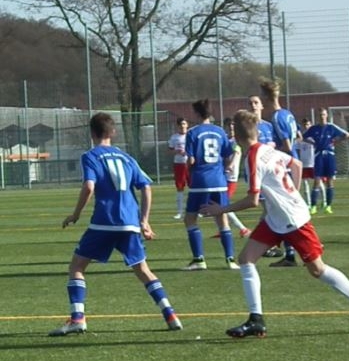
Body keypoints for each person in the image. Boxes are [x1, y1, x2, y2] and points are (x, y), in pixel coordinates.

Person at [200, 110, 349, 338]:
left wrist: (221, 210)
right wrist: (291, 193)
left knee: (317, 269)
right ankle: (256, 320)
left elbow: (253, 200)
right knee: (246, 259)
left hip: (294, 220)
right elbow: (297, 164)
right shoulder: (268, 150)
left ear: (236, 135)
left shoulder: (252, 158)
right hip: (276, 219)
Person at [49, 112, 182, 336]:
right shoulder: (126, 157)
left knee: (77, 267)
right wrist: (144, 221)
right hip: (130, 223)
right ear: (113, 132)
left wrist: (75, 214)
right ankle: (170, 314)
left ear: (92, 133)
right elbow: (146, 187)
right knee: (143, 270)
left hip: (105, 221)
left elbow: (89, 186)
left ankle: (77, 319)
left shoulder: (90, 156)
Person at [182, 99, 239, 270]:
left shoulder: (192, 133)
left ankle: (199, 259)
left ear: (197, 113)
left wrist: (189, 170)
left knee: (190, 219)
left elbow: (191, 160)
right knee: (222, 219)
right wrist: (224, 168)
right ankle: (230, 259)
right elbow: (228, 155)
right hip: (219, 182)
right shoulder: (220, 131)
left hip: (200, 181)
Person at [260, 80, 300, 267]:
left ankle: (293, 252)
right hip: (291, 165)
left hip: (284, 169)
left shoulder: (276, 117)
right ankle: (290, 252)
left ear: (266, 97)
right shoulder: (288, 114)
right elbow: (296, 137)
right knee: (284, 211)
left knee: (284, 211)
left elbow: (288, 146)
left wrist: (269, 154)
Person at [249, 94, 284, 259]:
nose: (253, 105)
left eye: (256, 102)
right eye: (250, 103)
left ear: (262, 106)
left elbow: (279, 145)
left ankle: (265, 243)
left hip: (271, 173)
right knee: (270, 208)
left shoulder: (269, 126)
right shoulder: (248, 127)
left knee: (272, 208)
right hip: (258, 173)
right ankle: (265, 243)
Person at [303, 108, 349, 214]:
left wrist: (335, 141)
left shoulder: (331, 127)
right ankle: (313, 206)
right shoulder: (313, 128)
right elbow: (303, 137)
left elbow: (347, 135)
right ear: (317, 116)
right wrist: (313, 143)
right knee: (316, 180)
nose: (322, 117)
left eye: (323, 114)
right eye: (320, 115)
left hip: (329, 155)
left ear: (326, 115)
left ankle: (328, 206)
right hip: (318, 156)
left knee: (329, 181)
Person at [209, 117, 251, 239]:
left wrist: (230, 165)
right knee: (216, 203)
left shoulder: (236, 141)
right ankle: (223, 228)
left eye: (233, 125)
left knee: (223, 204)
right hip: (222, 176)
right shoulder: (225, 140)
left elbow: (236, 153)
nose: (231, 128)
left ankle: (243, 229)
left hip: (230, 177)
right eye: (229, 126)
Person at [294, 117, 325, 211]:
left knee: (319, 183)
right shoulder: (301, 138)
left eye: (308, 124)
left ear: (311, 125)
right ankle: (308, 204)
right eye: (304, 125)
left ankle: (324, 201)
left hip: (313, 163)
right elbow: (297, 150)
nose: (306, 126)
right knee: (305, 185)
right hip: (304, 164)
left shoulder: (314, 136)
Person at [167, 117, 190, 220]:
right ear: (178, 126)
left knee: (194, 187)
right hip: (179, 164)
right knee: (180, 187)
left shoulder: (190, 135)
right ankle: (180, 212)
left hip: (190, 164)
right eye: (181, 124)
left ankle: (197, 210)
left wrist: (188, 153)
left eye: (184, 124)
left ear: (187, 125)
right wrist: (176, 152)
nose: (182, 126)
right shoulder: (174, 137)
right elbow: (169, 150)